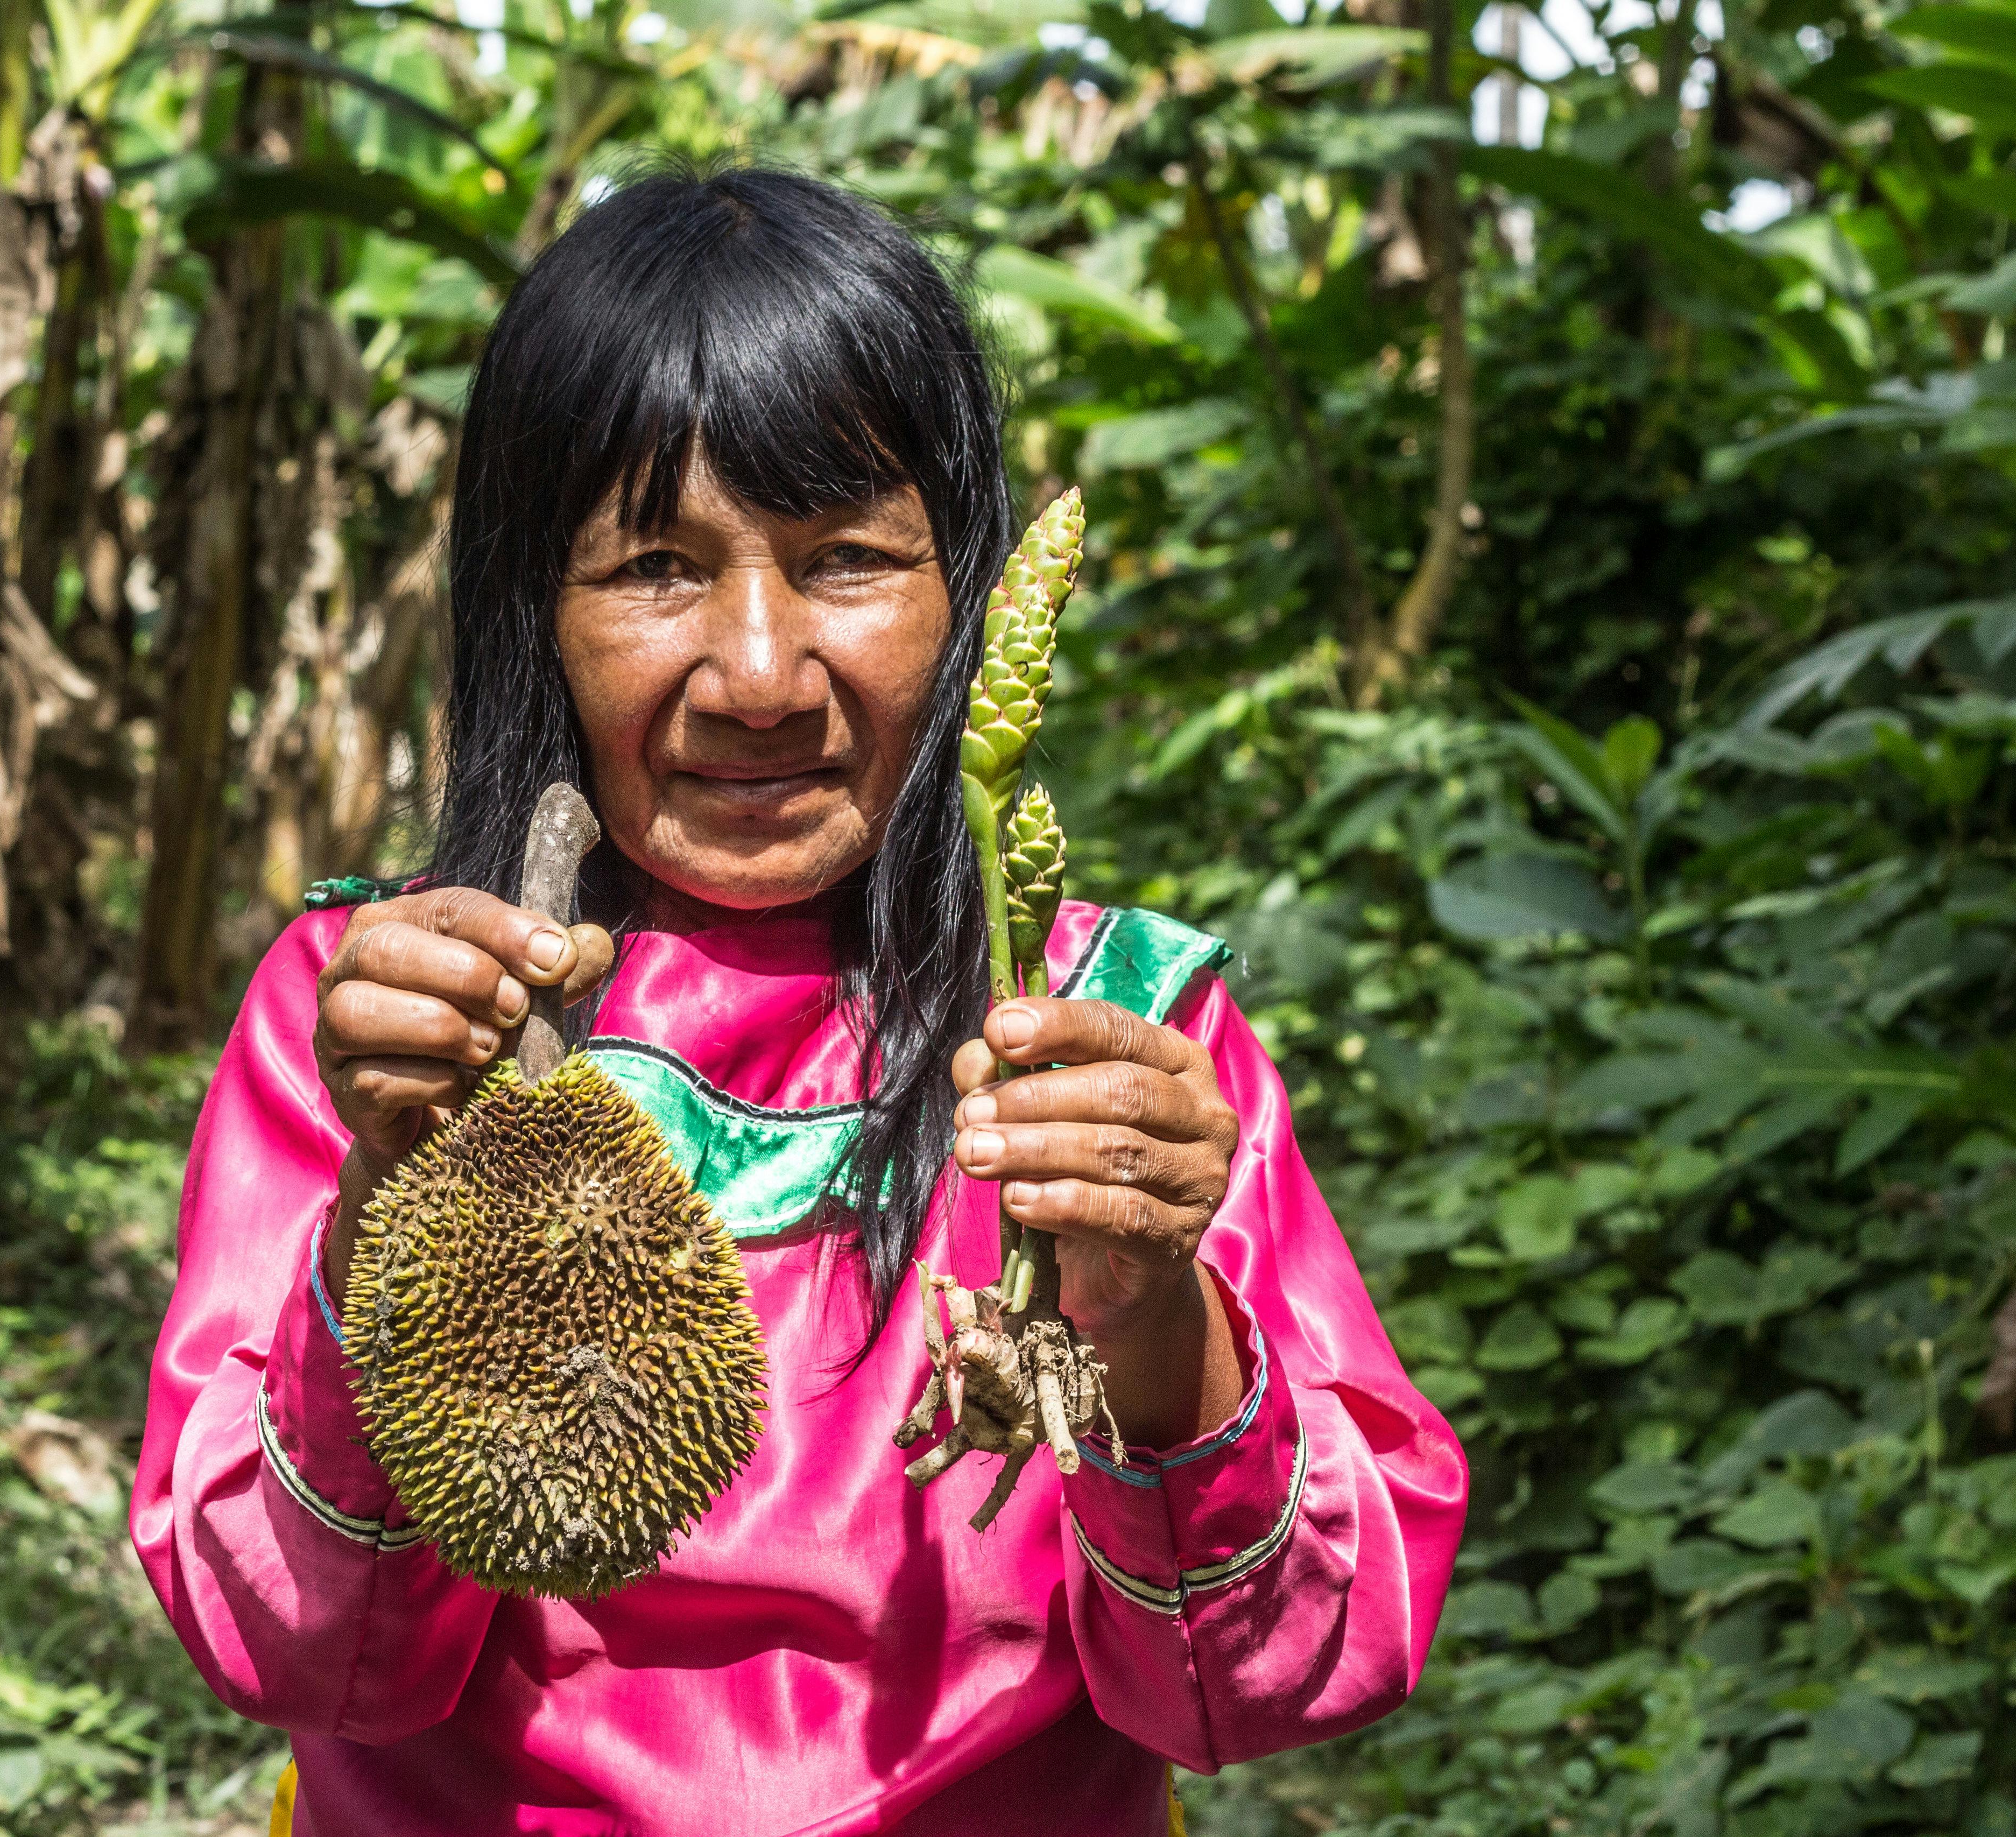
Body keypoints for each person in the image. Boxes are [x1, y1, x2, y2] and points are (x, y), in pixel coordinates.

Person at [131, 167, 1468, 1837]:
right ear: (529, 611)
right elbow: (296, 1655)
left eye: (846, 559)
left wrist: (1147, 1315)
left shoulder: (1111, 1036)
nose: (759, 672)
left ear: (966, 596)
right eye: (653, 569)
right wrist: (389, 1206)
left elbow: (1287, 1677)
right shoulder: (376, 1020)